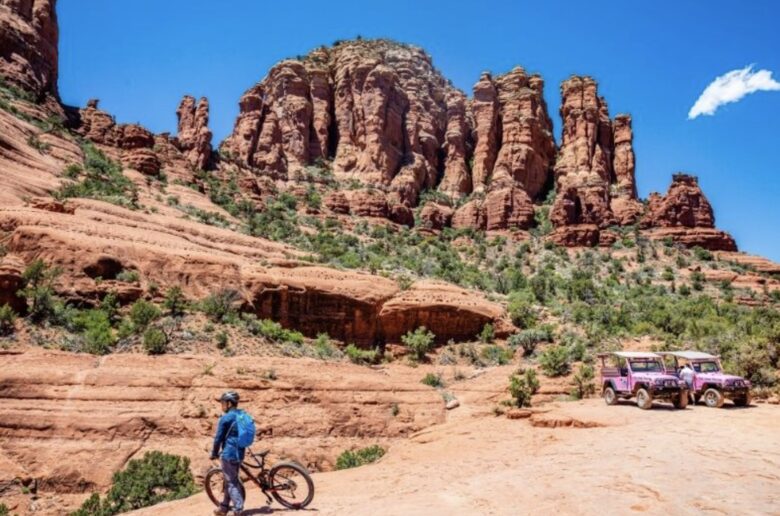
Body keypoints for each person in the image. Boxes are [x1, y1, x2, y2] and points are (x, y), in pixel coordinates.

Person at [211, 390, 245, 516]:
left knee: (231, 482)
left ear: (229, 403)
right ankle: (224, 507)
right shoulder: (242, 415)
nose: (222, 405)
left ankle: (238, 510)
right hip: (240, 453)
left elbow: (218, 438)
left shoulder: (226, 418)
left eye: (223, 402)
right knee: (229, 479)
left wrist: (214, 453)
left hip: (229, 454)